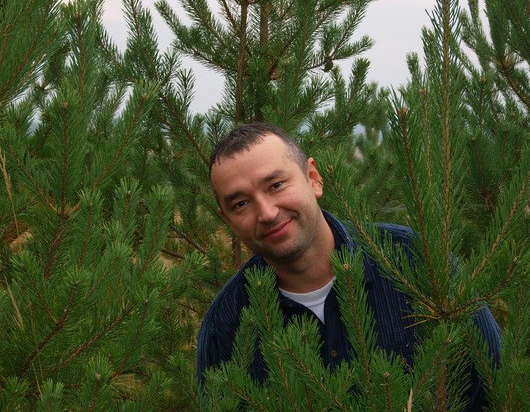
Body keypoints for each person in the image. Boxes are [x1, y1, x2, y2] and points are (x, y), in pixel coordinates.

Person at [197, 122, 501, 410]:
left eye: (276, 185)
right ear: (228, 220)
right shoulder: (225, 328)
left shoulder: (416, 261)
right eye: (241, 204)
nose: (266, 212)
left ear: (313, 178)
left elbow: (496, 387)